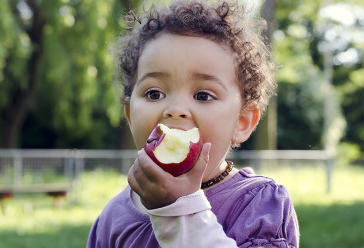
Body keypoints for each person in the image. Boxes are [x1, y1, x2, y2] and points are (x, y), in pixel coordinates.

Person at [87, 0, 299, 247]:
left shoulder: (259, 204)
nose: (175, 110)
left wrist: (179, 211)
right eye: (154, 93)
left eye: (203, 95)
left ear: (242, 122)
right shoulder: (113, 217)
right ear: (130, 115)